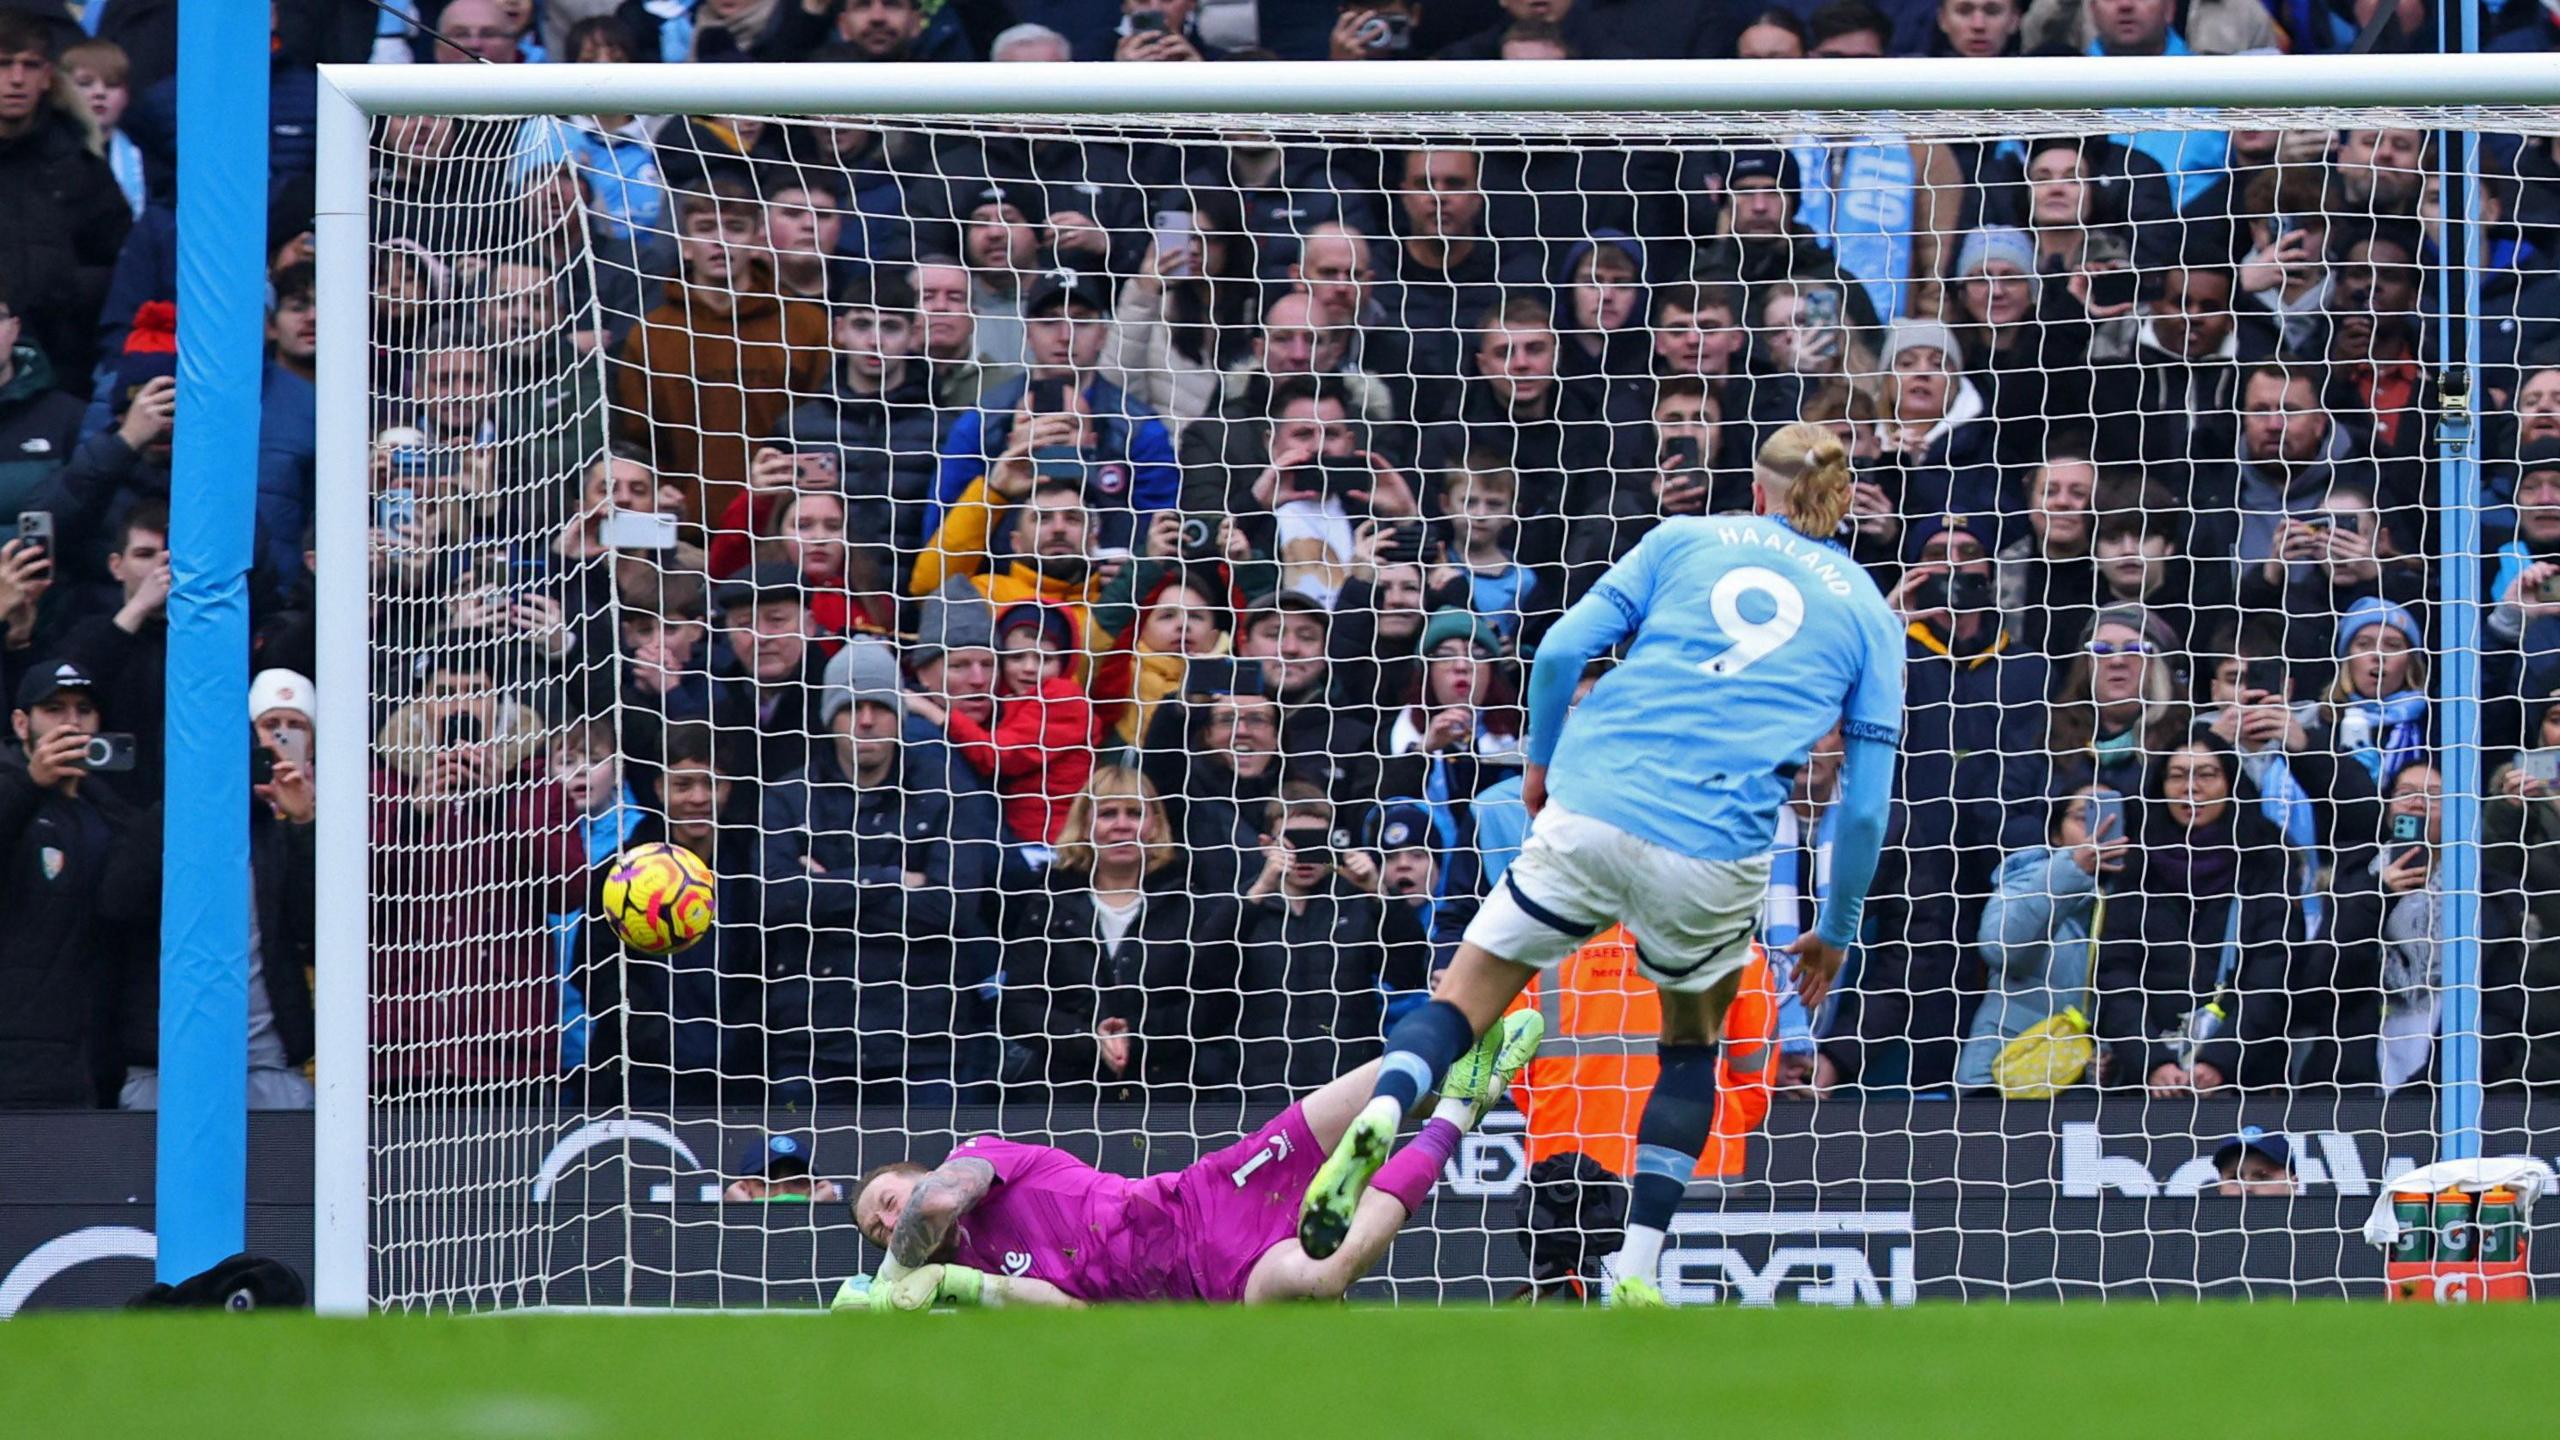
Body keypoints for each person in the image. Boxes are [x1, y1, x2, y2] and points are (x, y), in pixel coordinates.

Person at [1296, 422, 1902, 1309]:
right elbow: (1863, 803)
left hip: (1593, 806)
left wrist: (1538, 767)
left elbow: (1557, 653)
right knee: (1690, 1051)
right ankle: (1639, 1267)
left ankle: (1386, 1109)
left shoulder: (1685, 538)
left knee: (1460, 1002)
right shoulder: (1866, 610)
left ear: (1758, 491)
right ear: (1844, 502)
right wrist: (1834, 932)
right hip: (1715, 847)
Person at [838, 1010, 1544, 1310]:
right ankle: (1457, 1111)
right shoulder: (974, 1273)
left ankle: (1466, 1043)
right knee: (1326, 1274)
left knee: (1361, 1093)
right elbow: (1071, 1317)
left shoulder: (972, 1158)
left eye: (887, 1201)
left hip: (1196, 1201)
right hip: (1208, 1287)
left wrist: (888, 1279)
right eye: (878, 1227)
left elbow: (934, 1203)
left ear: (915, 1168)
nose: (891, 1221)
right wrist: (959, 1284)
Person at [995, 766, 1242, 1098]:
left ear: (1154, 825)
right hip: (1066, 1093)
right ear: (1085, 824)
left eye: (1135, 813)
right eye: (1108, 813)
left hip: (1170, 1091)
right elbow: (1019, 1006)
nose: (1122, 825)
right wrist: (1089, 1039)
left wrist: (1136, 1038)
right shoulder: (1047, 904)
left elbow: (1214, 1004)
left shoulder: (1191, 904)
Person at [0, 661, 155, 1106]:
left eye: (84, 710)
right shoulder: (13, 791)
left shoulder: (111, 813)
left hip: (91, 1055)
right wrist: (31, 785)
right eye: (54, 709)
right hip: (15, 1057)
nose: (71, 722)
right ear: (20, 722)